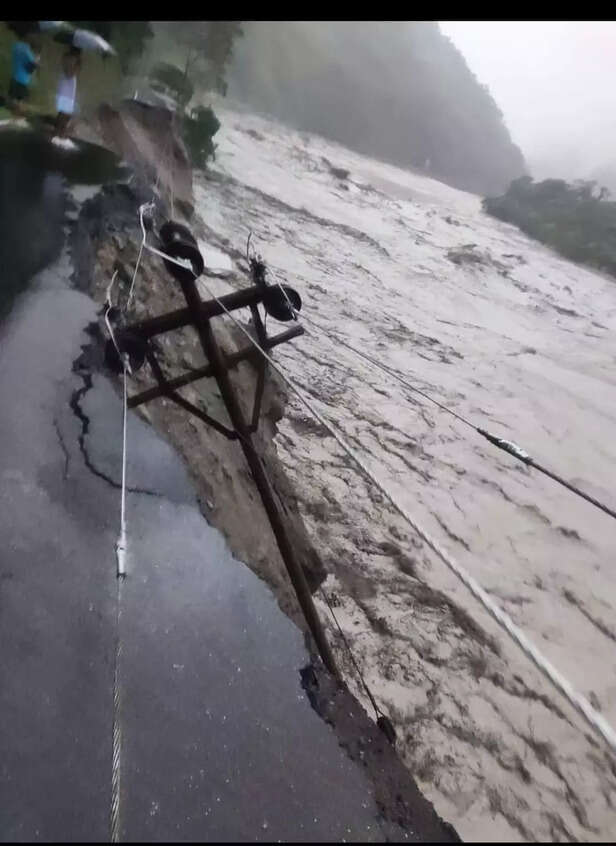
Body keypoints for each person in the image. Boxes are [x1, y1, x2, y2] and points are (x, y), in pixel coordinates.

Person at [8, 32, 40, 115]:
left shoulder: (15, 46)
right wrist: (36, 62)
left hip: (14, 77)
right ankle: (16, 116)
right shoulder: (27, 52)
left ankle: (13, 116)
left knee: (13, 102)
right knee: (20, 105)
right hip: (22, 81)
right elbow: (30, 69)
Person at [55, 47, 81, 138]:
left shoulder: (65, 56)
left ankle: (58, 133)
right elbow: (70, 73)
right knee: (65, 115)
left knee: (62, 114)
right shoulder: (73, 59)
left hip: (64, 86)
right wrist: (78, 65)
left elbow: (67, 70)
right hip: (67, 89)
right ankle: (60, 134)